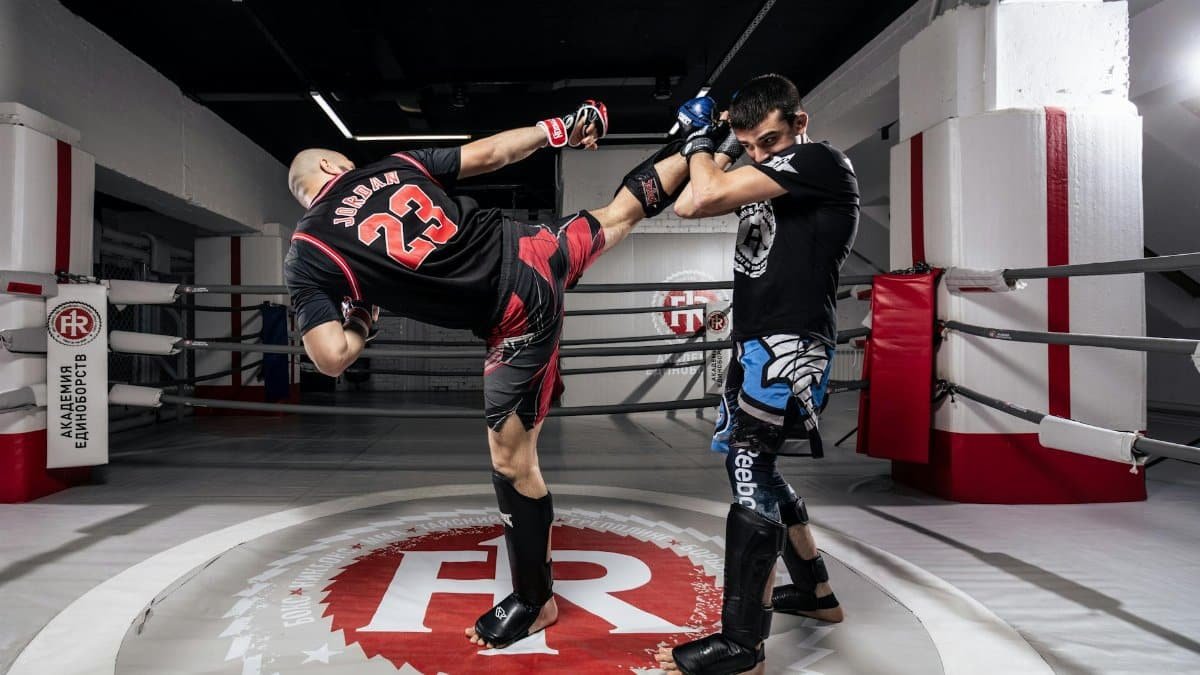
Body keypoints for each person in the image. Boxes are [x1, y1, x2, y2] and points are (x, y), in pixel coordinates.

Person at [282, 99, 695, 651]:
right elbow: (496, 151)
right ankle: (702, 144)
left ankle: (534, 599)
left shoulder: (308, 250)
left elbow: (331, 357)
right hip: (536, 247)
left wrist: (360, 317)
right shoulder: (393, 165)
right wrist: (561, 128)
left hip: (514, 316)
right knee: (618, 213)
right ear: (336, 168)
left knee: (512, 461)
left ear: (308, 190)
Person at [657, 74, 859, 675]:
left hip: (790, 342)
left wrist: (704, 141)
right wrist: (719, 141)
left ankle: (743, 644)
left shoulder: (817, 160)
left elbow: (704, 195)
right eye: (752, 146)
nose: (762, 154)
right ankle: (815, 591)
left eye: (769, 139)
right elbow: (695, 200)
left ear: (799, 122)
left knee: (749, 464)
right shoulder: (768, 168)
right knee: (755, 465)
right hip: (758, 341)